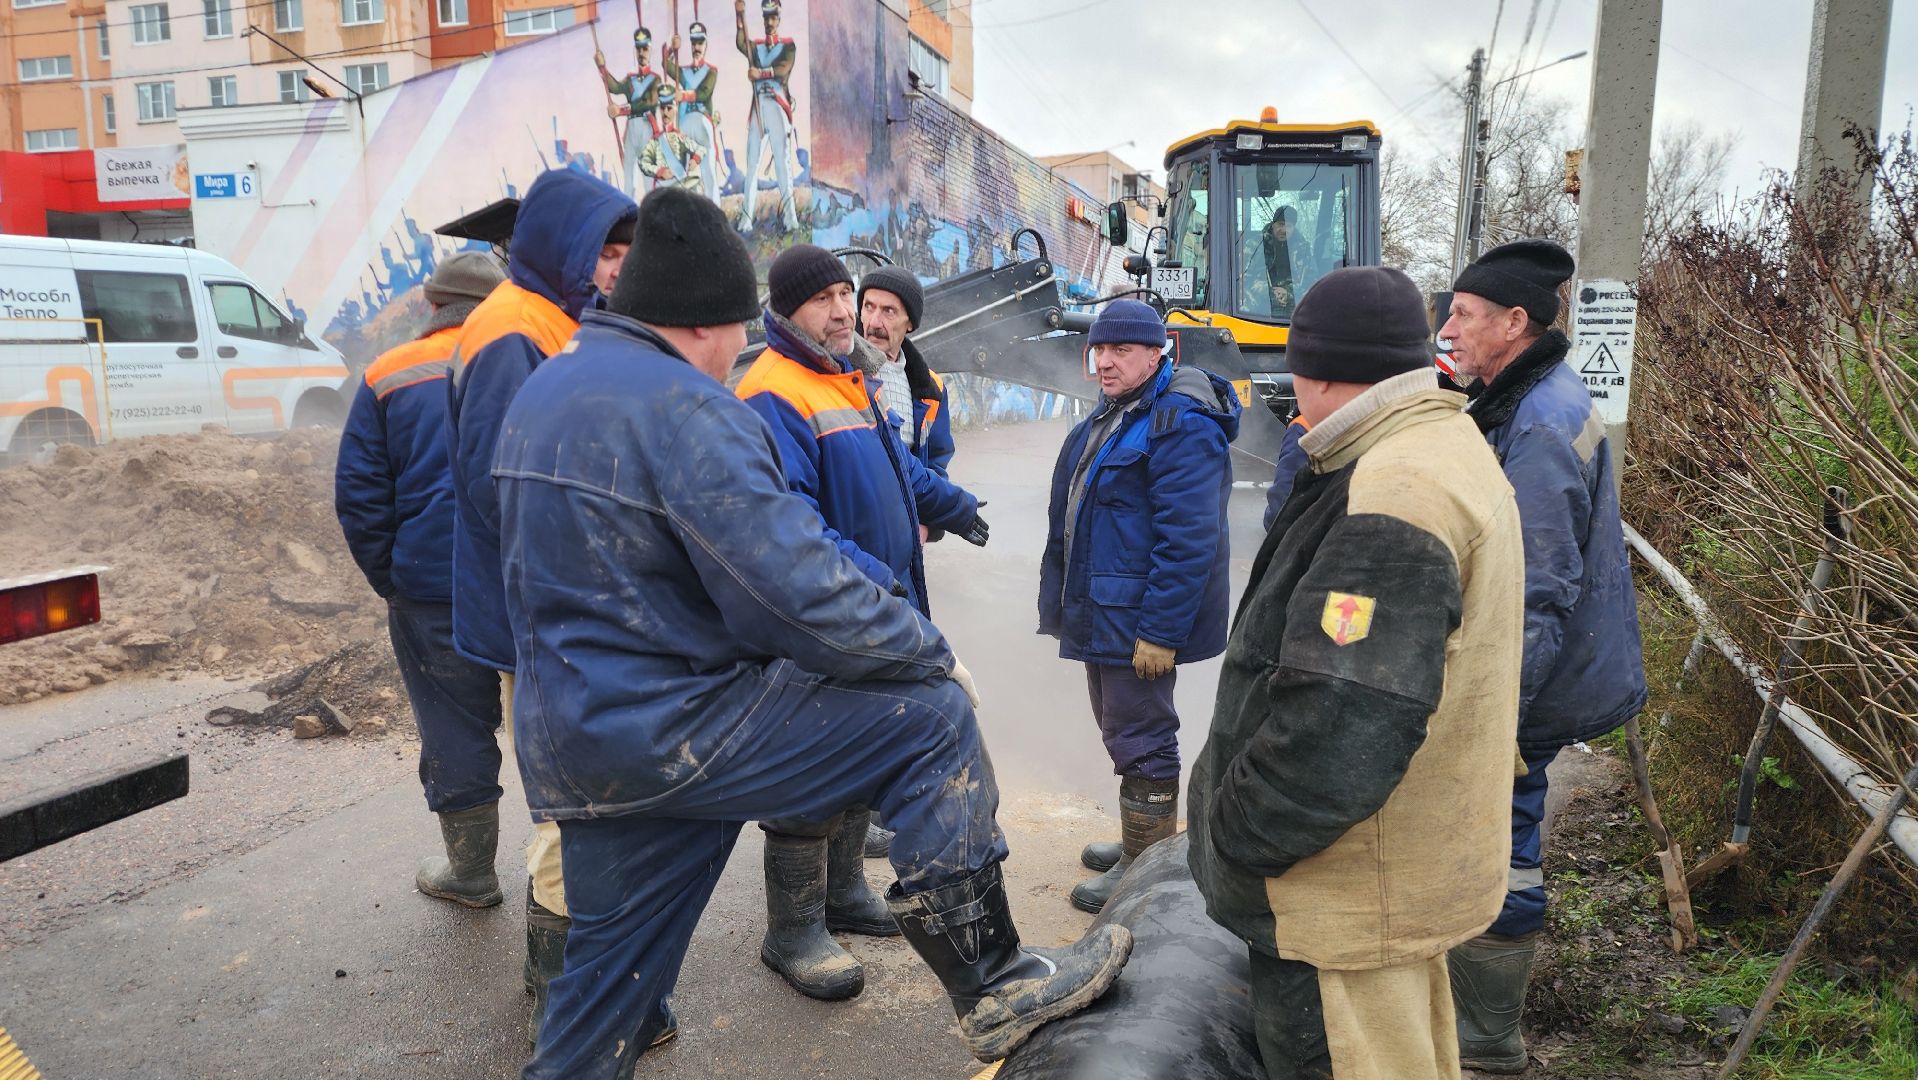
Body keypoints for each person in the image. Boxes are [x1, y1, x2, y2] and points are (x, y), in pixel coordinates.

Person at [500, 187, 1132, 1079]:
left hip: (580, 742)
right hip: (678, 727)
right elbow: (789, 592)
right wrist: (925, 649)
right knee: (928, 718)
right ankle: (994, 982)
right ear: (706, 323)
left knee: (605, 997)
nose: (736, 355)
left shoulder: (549, 386)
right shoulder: (691, 407)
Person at [1187, 265, 1527, 1080]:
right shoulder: (1440, 443)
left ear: (1321, 369)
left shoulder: (1393, 492)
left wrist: (1236, 834)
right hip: (1396, 872)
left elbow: (1341, 722)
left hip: (1340, 904)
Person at [734, 244, 992, 1001]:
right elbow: (795, 529)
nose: (846, 311)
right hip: (820, 617)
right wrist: (879, 583)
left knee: (859, 755)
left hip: (872, 609)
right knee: (809, 768)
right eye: (825, 301)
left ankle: (844, 893)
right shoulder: (774, 389)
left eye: (848, 296)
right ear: (787, 311)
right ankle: (792, 932)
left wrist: (955, 505)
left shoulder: (845, 377)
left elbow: (898, 469)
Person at [1437, 239, 1648, 1074]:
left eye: (1462, 314)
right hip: (1553, 666)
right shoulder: (1521, 398)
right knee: (1493, 832)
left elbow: (1536, 589)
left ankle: (1486, 1040)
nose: (1446, 327)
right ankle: (1475, 1017)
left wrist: (1502, 717)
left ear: (1513, 321)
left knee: (1501, 841)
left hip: (1537, 680)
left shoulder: (1540, 422)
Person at [444, 166, 637, 1044]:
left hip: (564, 607)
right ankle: (562, 1006)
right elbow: (502, 488)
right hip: (542, 615)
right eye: (604, 249)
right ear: (563, 246)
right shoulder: (513, 331)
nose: (616, 268)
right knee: (571, 808)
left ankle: (593, 988)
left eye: (624, 251)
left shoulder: (559, 320)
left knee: (588, 801)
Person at [1037, 298, 1240, 914]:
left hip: (1138, 620)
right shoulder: (1120, 413)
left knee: (1144, 733)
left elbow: (1189, 539)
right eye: (1101, 349)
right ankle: (1139, 844)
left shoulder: (1179, 422)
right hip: (1109, 610)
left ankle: (1144, 873)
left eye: (1122, 350)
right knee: (1119, 724)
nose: (1106, 361)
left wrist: (1160, 631)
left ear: (1159, 354)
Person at [335, 251, 507, 908]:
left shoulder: (387, 374)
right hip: (522, 581)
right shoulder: (527, 358)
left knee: (453, 723)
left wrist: (394, 577)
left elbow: (360, 496)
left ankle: (471, 871)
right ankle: (570, 881)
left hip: (432, 589)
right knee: (552, 723)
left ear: (434, 306)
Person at [854, 263, 955, 861]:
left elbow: (935, 462)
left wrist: (933, 517)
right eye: (870, 306)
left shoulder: (928, 387)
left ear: (909, 322)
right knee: (860, 670)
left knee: (903, 665)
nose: (875, 320)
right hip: (857, 546)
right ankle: (859, 814)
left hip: (905, 549)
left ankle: (881, 804)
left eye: (889, 311)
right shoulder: (845, 375)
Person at [734, 0, 799, 230]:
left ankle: (791, 217)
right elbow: (742, 44)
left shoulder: (788, 46)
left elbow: (783, 70)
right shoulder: (757, 46)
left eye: (773, 18)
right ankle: (746, 218)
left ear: (778, 19)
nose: (769, 22)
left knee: (782, 162)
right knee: (752, 163)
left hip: (777, 104)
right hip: (759, 105)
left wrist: (759, 73)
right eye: (766, 18)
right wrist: (739, 17)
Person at [596, 28, 665, 197]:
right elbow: (615, 87)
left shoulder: (655, 80)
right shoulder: (631, 79)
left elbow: (648, 103)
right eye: (639, 49)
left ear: (650, 50)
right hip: (631, 130)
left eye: (645, 48)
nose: (641, 53)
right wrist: (602, 67)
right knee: (629, 174)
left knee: (648, 175)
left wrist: (620, 110)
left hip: (647, 127)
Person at [663, 21, 722, 200]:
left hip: (702, 120)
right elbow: (666, 65)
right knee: (683, 176)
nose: (696, 47)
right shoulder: (684, 71)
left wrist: (684, 96)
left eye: (700, 43)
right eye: (694, 43)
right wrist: (673, 49)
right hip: (686, 124)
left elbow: (704, 93)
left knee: (709, 172)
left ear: (705, 45)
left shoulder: (711, 71)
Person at [635, 83, 704, 190]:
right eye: (662, 109)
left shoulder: (680, 137)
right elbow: (643, 162)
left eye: (669, 108)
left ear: (675, 110)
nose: (665, 112)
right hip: (663, 189)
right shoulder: (655, 141)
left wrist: (695, 160)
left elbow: (700, 149)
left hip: (682, 185)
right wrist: (659, 171)